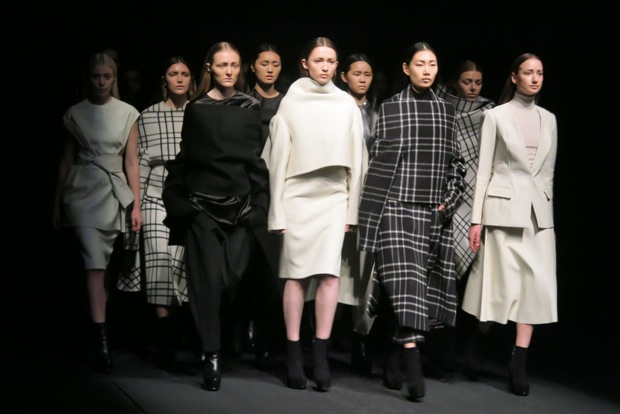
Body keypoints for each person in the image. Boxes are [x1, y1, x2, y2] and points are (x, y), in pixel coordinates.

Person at [357, 41, 465, 401]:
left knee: (409, 290)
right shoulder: (391, 108)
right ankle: (412, 364)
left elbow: (456, 164)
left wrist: (446, 204)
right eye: (420, 64)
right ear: (406, 68)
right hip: (396, 209)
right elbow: (379, 165)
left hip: (431, 213)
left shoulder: (446, 111)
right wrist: (370, 219)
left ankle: (392, 354)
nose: (427, 70)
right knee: (406, 286)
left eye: (432, 64)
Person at [161, 41, 270, 392]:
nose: (229, 71)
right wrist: (184, 206)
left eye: (234, 65)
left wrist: (260, 205)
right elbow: (188, 156)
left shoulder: (250, 107)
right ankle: (212, 355)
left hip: (239, 208)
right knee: (206, 282)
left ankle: (212, 340)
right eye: (222, 65)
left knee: (230, 279)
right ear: (209, 68)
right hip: (203, 206)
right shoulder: (198, 109)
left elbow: (254, 158)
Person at [262, 36, 367, 391]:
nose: (325, 66)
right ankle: (293, 353)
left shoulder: (346, 103)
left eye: (331, 61)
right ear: (305, 63)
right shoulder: (291, 101)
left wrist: (352, 210)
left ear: (337, 66)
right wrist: (276, 211)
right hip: (296, 195)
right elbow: (277, 159)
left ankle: (320, 354)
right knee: (295, 275)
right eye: (318, 60)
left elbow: (358, 161)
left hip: (334, 196)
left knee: (329, 274)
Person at [461, 53, 558, 396]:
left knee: (533, 288)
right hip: (501, 212)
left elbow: (547, 176)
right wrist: (476, 220)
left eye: (539, 73)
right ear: (514, 77)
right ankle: (477, 342)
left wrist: (547, 219)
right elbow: (483, 171)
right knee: (497, 288)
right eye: (528, 72)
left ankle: (518, 361)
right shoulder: (496, 116)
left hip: (536, 217)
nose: (535, 78)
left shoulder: (549, 119)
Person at [52, 52, 142, 373]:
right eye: (96, 76)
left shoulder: (128, 113)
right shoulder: (75, 113)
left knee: (104, 268)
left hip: (113, 194)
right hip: (82, 193)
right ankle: (102, 341)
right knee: (93, 262)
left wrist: (136, 205)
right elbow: (66, 160)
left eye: (107, 76)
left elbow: (131, 161)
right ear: (87, 78)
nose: (101, 82)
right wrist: (56, 203)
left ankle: (98, 330)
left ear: (114, 78)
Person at [116, 56, 196, 370]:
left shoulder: (199, 112)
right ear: (164, 79)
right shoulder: (146, 116)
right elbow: (136, 163)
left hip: (189, 197)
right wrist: (135, 204)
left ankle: (178, 331)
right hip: (154, 195)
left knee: (181, 264)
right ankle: (166, 338)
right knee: (159, 262)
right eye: (173, 73)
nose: (180, 78)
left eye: (185, 73)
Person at [427, 60, 495, 380]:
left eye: (478, 82)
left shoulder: (489, 112)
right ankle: (442, 348)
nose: (473, 87)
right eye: (467, 81)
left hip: (477, 199)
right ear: (455, 81)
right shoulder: (441, 107)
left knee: (474, 279)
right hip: (448, 192)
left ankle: (465, 349)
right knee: (444, 275)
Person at [223, 42, 286, 369]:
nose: (270, 69)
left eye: (275, 64)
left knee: (271, 274)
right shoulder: (242, 101)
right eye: (264, 63)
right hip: (243, 190)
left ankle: (266, 340)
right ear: (253, 66)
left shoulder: (288, 103)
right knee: (239, 269)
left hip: (276, 192)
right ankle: (234, 332)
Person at [333, 52, 380, 375]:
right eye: (357, 73)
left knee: (363, 272)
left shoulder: (379, 113)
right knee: (333, 267)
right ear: (344, 76)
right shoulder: (335, 108)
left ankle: (359, 341)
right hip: (337, 194)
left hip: (368, 198)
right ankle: (323, 335)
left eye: (367, 74)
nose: (362, 79)